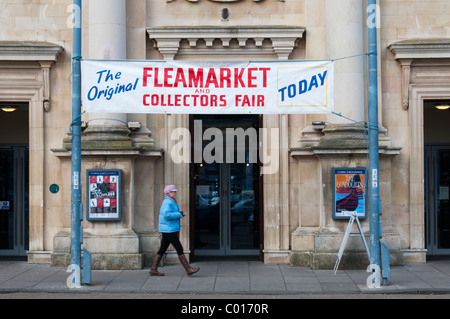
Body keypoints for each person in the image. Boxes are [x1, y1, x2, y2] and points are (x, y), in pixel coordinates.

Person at [149, 185, 199, 276]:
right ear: (168, 193)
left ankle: (153, 269)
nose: (175, 193)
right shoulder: (168, 202)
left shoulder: (170, 201)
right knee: (179, 248)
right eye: (172, 191)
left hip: (168, 228)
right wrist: (178, 215)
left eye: (175, 191)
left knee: (162, 249)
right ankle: (188, 269)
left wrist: (179, 214)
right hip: (169, 229)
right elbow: (166, 214)